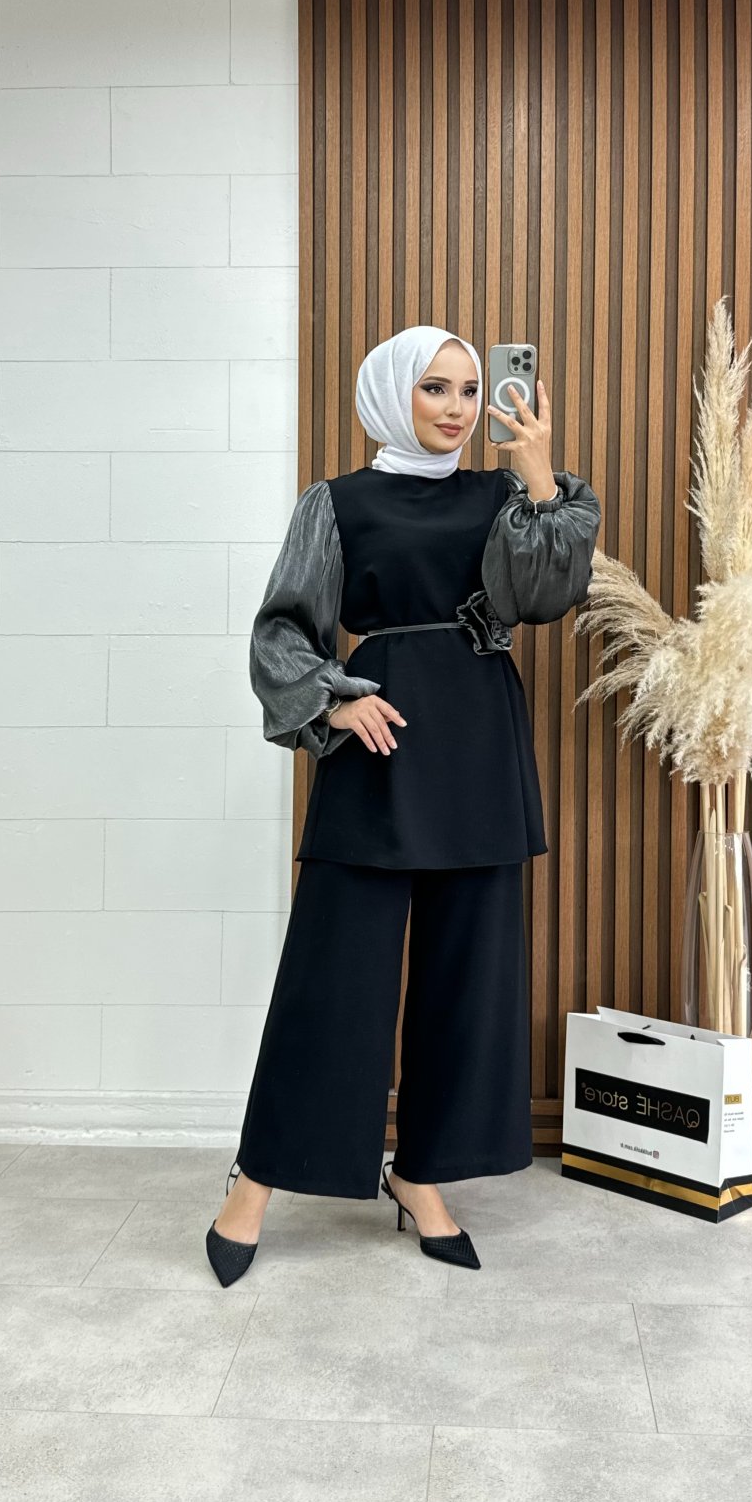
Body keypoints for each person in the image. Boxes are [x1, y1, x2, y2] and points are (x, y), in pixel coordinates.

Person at [206, 325, 601, 1286]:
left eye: (469, 389)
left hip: (479, 746)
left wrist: (538, 477)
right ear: (392, 394)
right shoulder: (338, 503)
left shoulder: (506, 497)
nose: (457, 408)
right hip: (379, 748)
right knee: (333, 981)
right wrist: (336, 701)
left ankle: (421, 1176)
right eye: (435, 388)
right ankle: (256, 1180)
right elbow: (282, 632)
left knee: (471, 982)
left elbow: (547, 596)